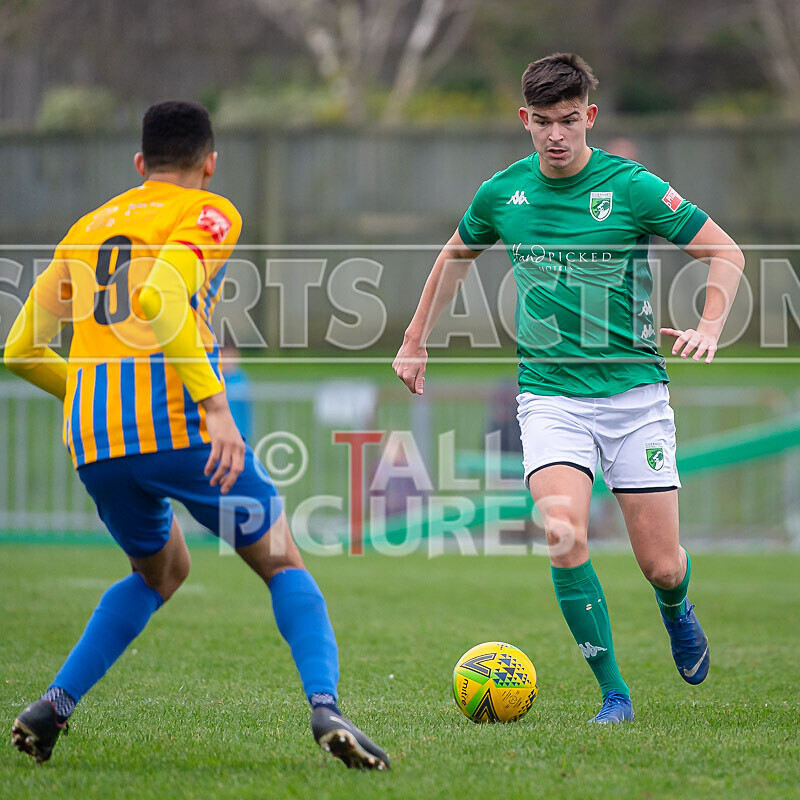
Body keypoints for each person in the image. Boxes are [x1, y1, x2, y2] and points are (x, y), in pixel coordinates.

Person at [5, 100, 388, 769]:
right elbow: (159, 297)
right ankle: (325, 707)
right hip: (181, 429)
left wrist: (92, 394)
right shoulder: (207, 211)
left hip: (95, 444)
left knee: (161, 571)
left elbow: (18, 349)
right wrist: (214, 408)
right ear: (209, 164)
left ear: (139, 164)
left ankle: (54, 706)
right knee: (281, 561)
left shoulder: (85, 228)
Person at [393, 53, 744, 723]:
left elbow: (724, 253)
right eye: (544, 123)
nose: (556, 136)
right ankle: (614, 693)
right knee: (563, 531)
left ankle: (676, 607)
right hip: (550, 397)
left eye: (569, 121)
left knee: (662, 564)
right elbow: (453, 258)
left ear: (590, 116)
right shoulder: (503, 194)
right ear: (525, 120)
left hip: (635, 397)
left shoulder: (633, 187)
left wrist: (710, 323)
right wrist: (414, 339)